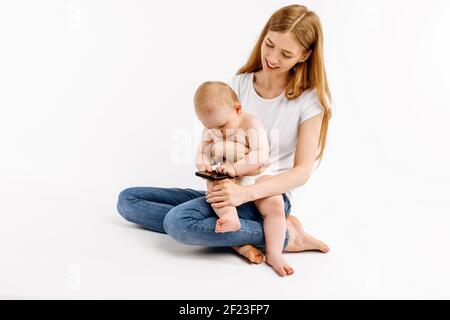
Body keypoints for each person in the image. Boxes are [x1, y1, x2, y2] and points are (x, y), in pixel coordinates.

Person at [117, 4, 331, 276]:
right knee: (129, 200)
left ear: (305, 55)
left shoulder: (310, 102)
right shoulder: (238, 85)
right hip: (227, 189)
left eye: (286, 53)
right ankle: (238, 237)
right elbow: (214, 137)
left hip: (267, 195)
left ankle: (286, 236)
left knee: (179, 224)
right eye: (269, 44)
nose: (273, 58)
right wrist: (213, 166)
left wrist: (246, 193)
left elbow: (302, 172)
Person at [193, 81, 294, 276]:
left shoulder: (250, 124)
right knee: (216, 188)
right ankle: (230, 217)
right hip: (229, 179)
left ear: (237, 110)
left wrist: (235, 168)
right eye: (208, 127)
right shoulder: (212, 127)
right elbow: (202, 151)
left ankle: (274, 252)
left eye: (222, 126)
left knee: (274, 205)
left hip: (257, 178)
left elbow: (260, 155)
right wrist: (203, 163)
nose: (217, 132)